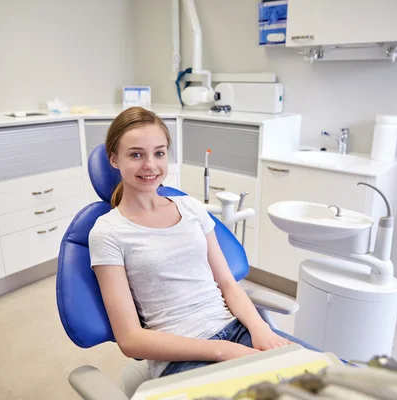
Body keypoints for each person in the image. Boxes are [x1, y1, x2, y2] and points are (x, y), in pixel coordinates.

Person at [88, 107, 316, 379]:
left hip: (237, 330)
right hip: (181, 359)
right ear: (114, 159)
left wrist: (261, 330)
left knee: (331, 383)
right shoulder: (108, 231)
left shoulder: (191, 208)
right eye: (136, 154)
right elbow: (130, 339)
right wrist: (221, 350)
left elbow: (228, 284)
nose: (150, 165)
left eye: (159, 153)